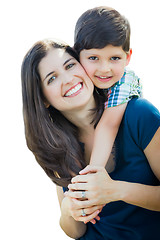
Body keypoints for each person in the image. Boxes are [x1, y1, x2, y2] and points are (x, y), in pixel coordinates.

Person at [21, 38, 160, 240]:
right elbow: (75, 231)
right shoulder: (56, 144)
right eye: (52, 78)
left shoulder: (139, 115)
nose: (68, 79)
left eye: (70, 65)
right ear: (43, 99)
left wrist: (116, 191)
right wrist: (69, 209)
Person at [73, 6, 142, 169]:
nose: (104, 68)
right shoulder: (81, 83)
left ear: (128, 57)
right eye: (93, 58)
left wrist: (93, 171)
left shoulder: (124, 81)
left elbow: (109, 125)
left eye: (115, 58)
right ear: (77, 55)